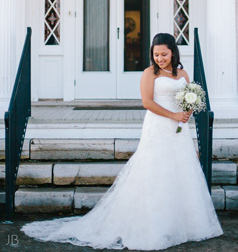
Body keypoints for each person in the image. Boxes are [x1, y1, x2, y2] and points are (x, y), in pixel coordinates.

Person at [22, 33, 223, 250]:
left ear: (173, 52)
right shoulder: (149, 73)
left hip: (180, 129)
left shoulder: (182, 72)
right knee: (155, 170)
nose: (160, 58)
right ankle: (154, 225)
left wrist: (187, 111)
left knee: (181, 170)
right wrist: (173, 116)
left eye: (164, 54)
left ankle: (183, 225)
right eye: (156, 54)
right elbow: (147, 102)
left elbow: (189, 96)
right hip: (158, 126)